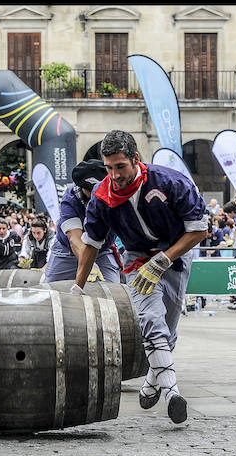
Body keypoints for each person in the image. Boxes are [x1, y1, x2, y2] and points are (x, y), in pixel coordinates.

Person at [71, 130, 208, 425]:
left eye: (120, 166)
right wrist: (76, 287)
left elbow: (199, 229)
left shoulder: (170, 181)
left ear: (135, 159)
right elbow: (92, 244)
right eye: (109, 168)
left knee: (168, 325)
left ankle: (151, 381)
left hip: (176, 252)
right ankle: (172, 393)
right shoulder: (102, 196)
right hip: (136, 260)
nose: (114, 175)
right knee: (150, 320)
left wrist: (165, 259)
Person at [45, 159, 122, 283]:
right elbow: (74, 238)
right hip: (67, 251)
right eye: (90, 190)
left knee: (114, 288)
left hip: (102, 251)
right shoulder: (69, 200)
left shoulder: (115, 196)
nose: (94, 194)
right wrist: (88, 263)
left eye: (98, 189)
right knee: (51, 288)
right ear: (81, 187)